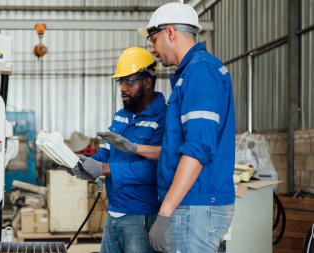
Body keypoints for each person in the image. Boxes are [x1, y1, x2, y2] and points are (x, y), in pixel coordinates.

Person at [99, 2, 236, 253]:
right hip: (191, 205)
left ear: (170, 33)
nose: (152, 48)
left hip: (197, 205)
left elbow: (197, 150)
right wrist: (137, 148)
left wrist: (164, 213)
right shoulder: (189, 74)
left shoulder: (200, 72)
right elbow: (177, 150)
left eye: (153, 39)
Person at [71, 47, 167, 253]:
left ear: (148, 82)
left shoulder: (163, 119)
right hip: (113, 212)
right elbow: (108, 152)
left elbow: (155, 169)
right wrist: (86, 164)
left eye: (129, 82)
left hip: (140, 216)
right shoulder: (121, 115)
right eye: (120, 82)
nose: (123, 88)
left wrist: (105, 169)